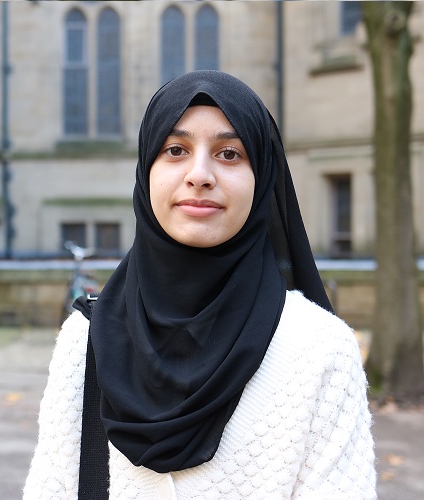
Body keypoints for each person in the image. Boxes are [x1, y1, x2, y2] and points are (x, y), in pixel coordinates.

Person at [24, 70, 376, 499]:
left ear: (262, 177)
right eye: (175, 149)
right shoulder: (86, 340)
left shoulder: (321, 353)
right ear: (145, 171)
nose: (200, 174)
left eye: (229, 153)